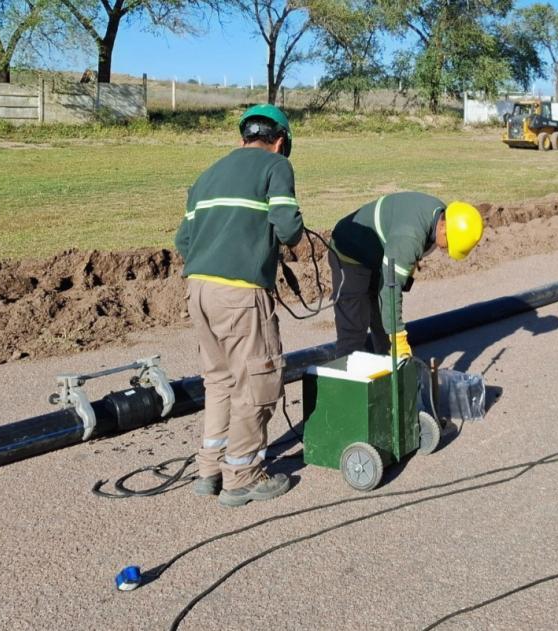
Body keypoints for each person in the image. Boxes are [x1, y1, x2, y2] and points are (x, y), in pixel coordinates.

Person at [174, 104, 302, 507]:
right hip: (240, 295)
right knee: (256, 381)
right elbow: (289, 227)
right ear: (280, 141)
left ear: (243, 137)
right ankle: (243, 476)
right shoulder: (275, 166)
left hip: (198, 291)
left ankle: (209, 468)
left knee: (219, 380)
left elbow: (183, 242)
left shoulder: (207, 175)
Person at [327, 192, 483, 358]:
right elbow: (390, 289)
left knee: (383, 322)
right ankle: (347, 375)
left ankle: (390, 374)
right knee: (354, 331)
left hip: (377, 256)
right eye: (449, 244)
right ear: (444, 227)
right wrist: (399, 339)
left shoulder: (439, 215)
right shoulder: (410, 235)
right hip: (350, 252)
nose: (446, 251)